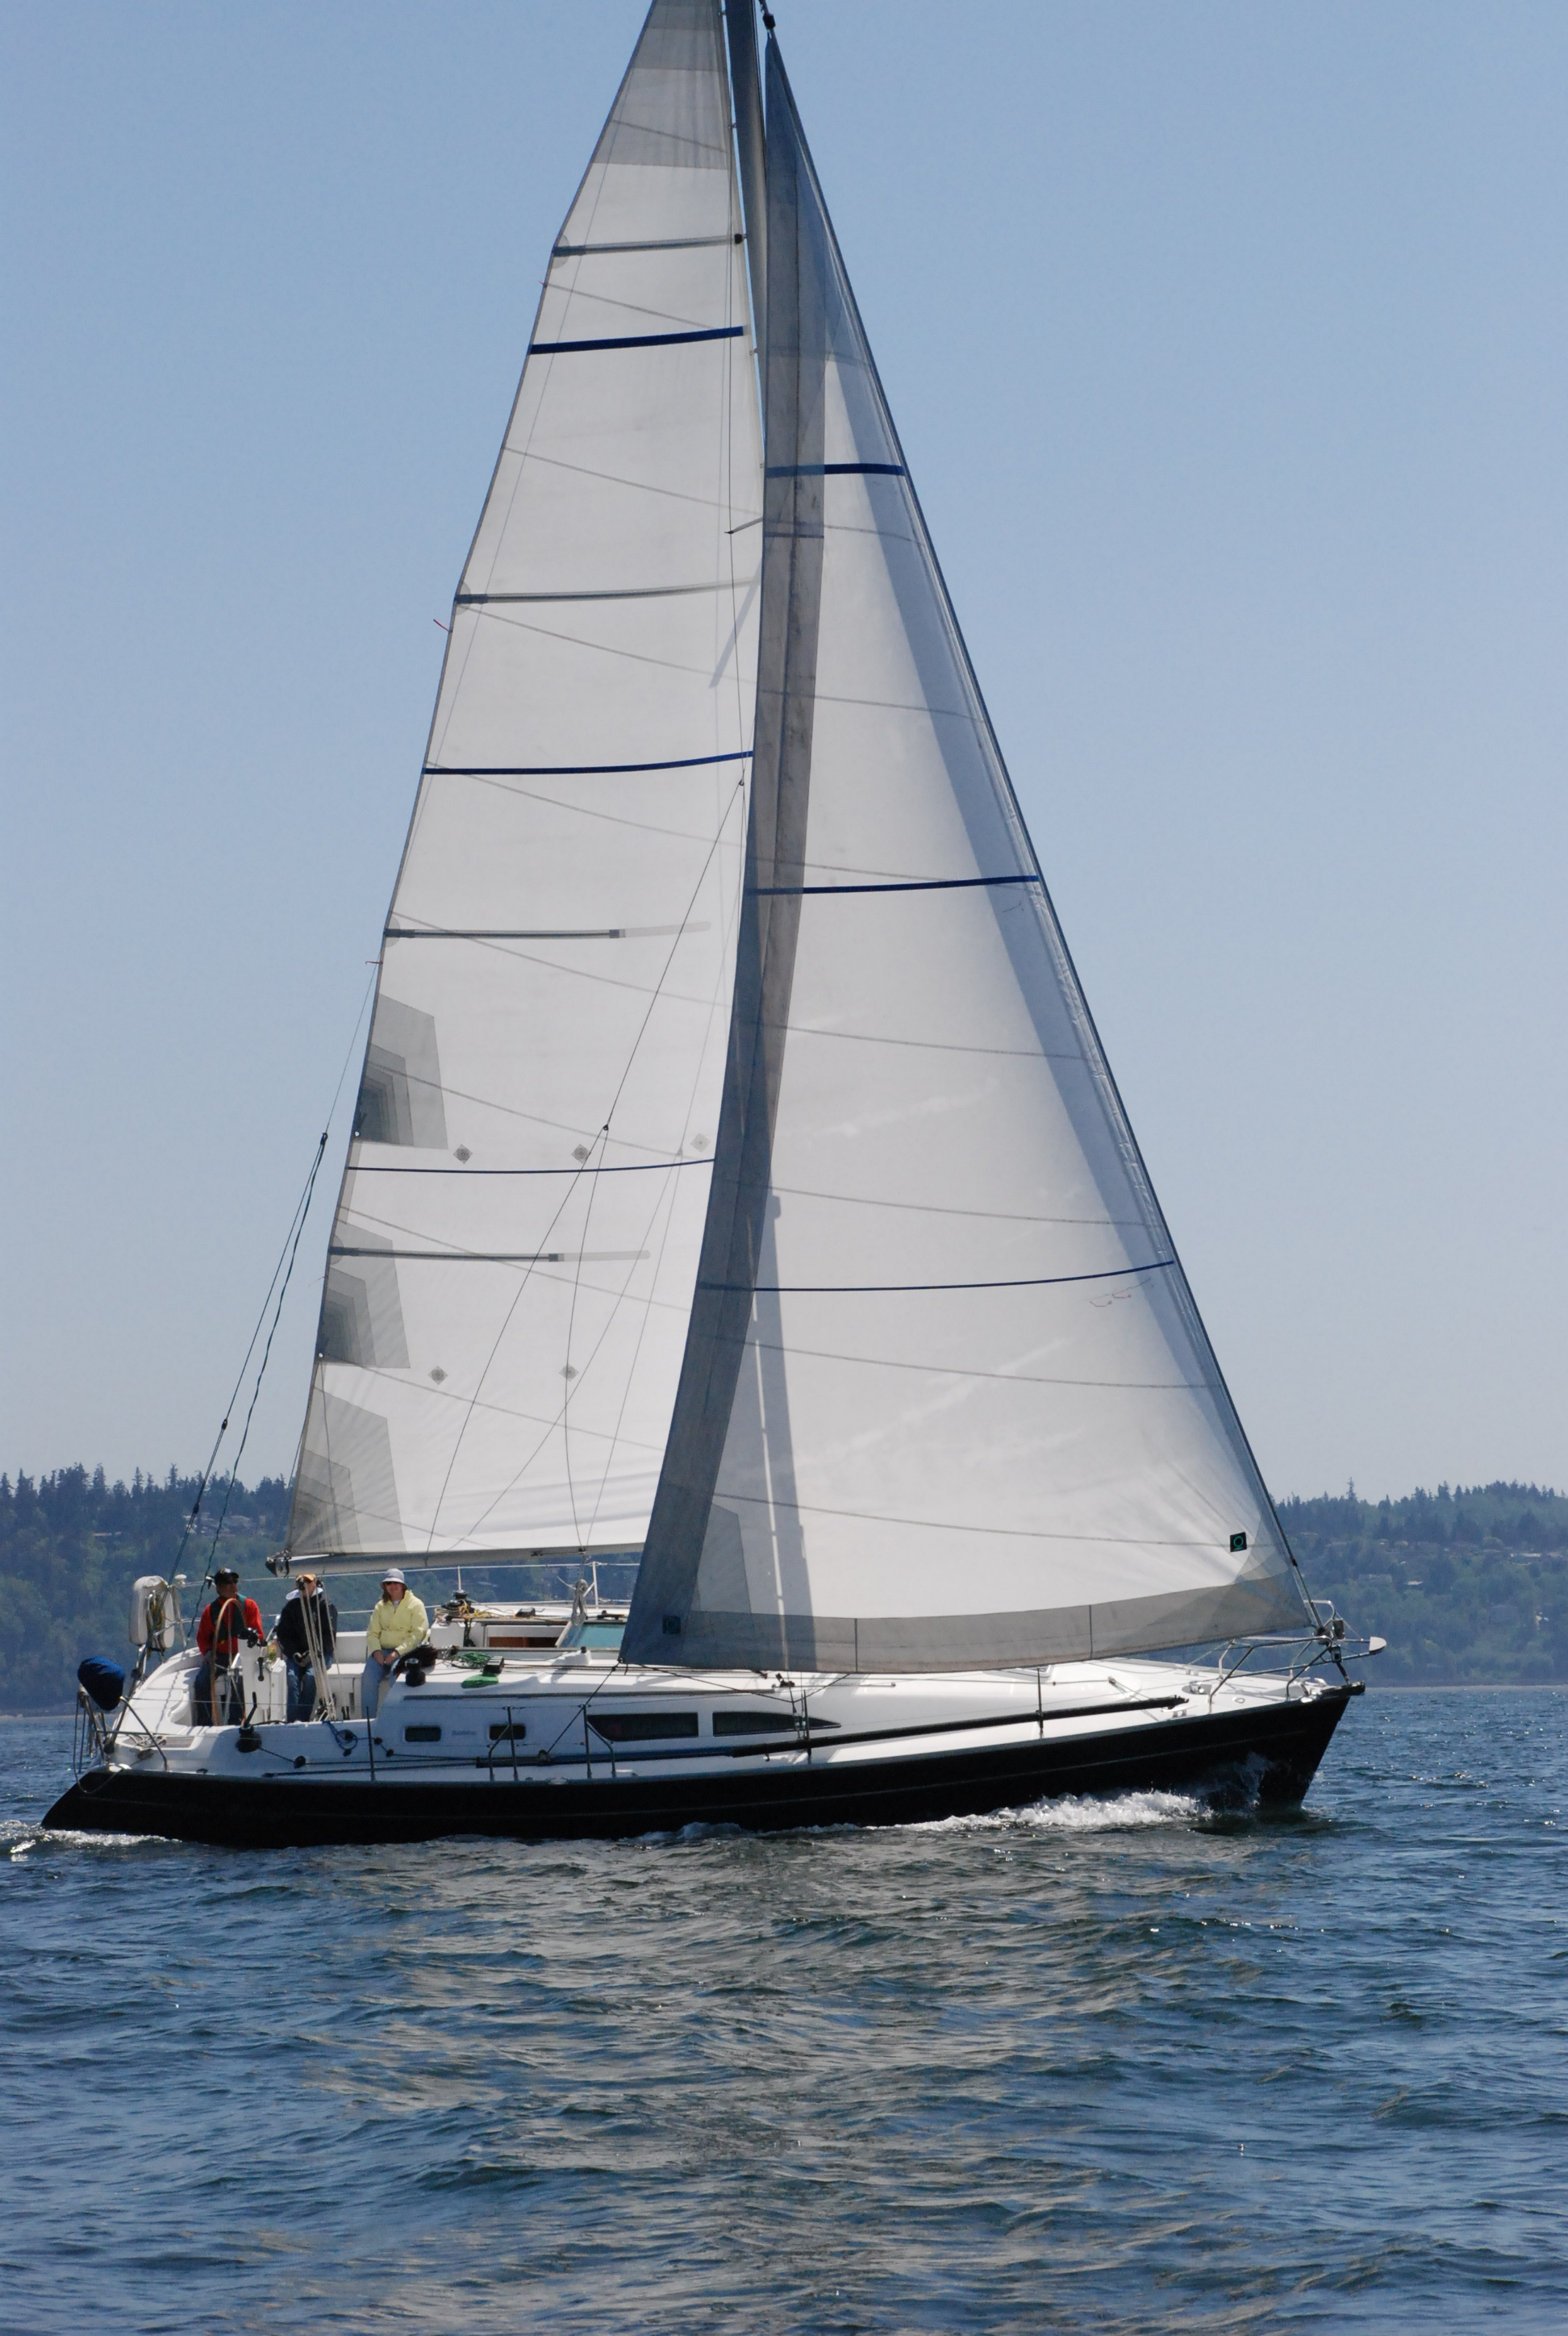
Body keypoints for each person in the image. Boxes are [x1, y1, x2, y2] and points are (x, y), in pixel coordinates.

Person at [191, 1566, 264, 1726]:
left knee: (239, 1680)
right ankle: (204, 1723)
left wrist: (251, 1648)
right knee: (202, 1682)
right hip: (220, 1656)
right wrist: (208, 1653)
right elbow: (202, 1638)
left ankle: (235, 1722)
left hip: (242, 1654)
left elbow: (258, 1633)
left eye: (234, 1582)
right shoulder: (210, 1611)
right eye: (228, 1583)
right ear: (218, 1587)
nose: (233, 1585)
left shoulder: (249, 1606)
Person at [361, 1569, 428, 1721]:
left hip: (405, 1653)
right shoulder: (380, 1606)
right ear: (385, 1586)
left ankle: (397, 1720)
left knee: (396, 1679)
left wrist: (397, 1653)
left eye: (396, 1583)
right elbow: (372, 1633)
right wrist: (376, 1651)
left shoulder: (416, 1604)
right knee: (368, 1678)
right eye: (388, 1583)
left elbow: (418, 1634)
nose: (392, 1586)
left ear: (403, 1585)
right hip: (382, 1652)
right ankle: (367, 1722)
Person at [274, 1570, 337, 1722]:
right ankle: (292, 1720)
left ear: (315, 1583)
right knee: (291, 1677)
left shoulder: (325, 1605)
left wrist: (314, 1653)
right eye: (301, 1582)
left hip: (321, 1654)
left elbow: (329, 1636)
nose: (304, 1585)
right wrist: (294, 1653)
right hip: (297, 1655)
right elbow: (283, 1634)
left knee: (310, 1677)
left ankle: (302, 1719)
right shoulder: (290, 1608)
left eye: (308, 1582)